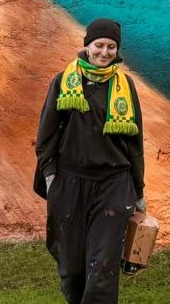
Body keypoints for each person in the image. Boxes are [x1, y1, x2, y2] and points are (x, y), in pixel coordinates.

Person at [34, 18, 145, 304]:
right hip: (70, 183)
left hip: (113, 185)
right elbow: (46, 137)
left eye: (111, 46)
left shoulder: (125, 86)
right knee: (72, 269)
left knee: (103, 265)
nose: (104, 52)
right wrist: (51, 178)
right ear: (87, 46)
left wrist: (139, 191)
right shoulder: (63, 81)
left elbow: (134, 144)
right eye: (99, 45)